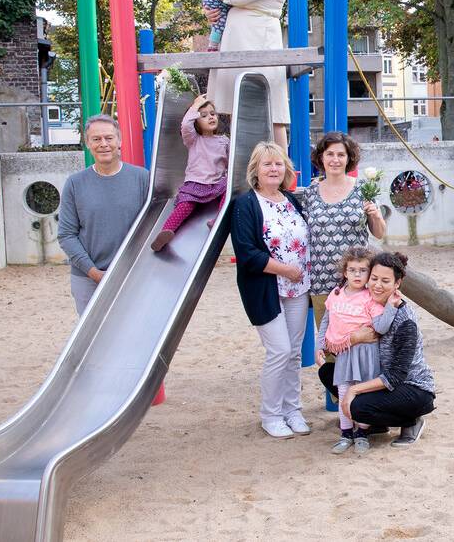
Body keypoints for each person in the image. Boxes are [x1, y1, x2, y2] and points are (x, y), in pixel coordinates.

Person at [229, 141, 312, 439]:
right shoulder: (246, 204)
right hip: (266, 287)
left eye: (278, 163)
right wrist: (285, 269)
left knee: (294, 355)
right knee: (279, 351)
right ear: (256, 170)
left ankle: (293, 410)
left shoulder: (292, 201)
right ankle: (271, 414)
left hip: (298, 288)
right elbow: (247, 253)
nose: (274, 169)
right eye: (267, 164)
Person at [204, 0, 290, 149]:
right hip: (235, 39)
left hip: (260, 39)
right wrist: (208, 9)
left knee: (273, 107)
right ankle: (239, 165)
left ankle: (283, 169)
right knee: (234, 104)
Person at [337, 251, 436, 448]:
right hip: (377, 374)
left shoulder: (404, 320)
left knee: (356, 405)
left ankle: (411, 422)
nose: (377, 285)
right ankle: (376, 422)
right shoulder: (365, 304)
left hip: (412, 387)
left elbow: (397, 375)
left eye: (385, 281)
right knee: (330, 374)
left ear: (397, 284)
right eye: (373, 278)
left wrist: (355, 390)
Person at [58, 115, 150, 316]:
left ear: (120, 141)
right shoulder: (75, 183)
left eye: (109, 138)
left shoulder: (142, 178)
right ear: (88, 143)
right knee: (94, 340)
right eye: (96, 139)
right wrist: (93, 272)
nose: (103, 144)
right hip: (88, 278)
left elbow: (152, 226)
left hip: (132, 274)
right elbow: (66, 234)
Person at [297, 132, 386, 335]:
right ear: (321, 157)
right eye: (330, 154)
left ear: (349, 158)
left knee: (360, 339)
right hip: (322, 280)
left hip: (357, 280)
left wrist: (376, 216)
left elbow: (379, 233)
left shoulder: (363, 189)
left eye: (341, 154)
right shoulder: (310, 193)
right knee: (329, 343)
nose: (335, 160)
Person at [314, 246, 379, 455]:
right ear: (345, 272)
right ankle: (346, 432)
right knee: (343, 392)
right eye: (353, 270)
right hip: (344, 353)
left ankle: (362, 433)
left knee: (362, 393)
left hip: (366, 354)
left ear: (369, 273)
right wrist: (319, 344)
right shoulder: (336, 295)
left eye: (362, 270)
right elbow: (327, 319)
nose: (357, 274)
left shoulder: (371, 297)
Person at [152, 94, 229, 251]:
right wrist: (195, 106)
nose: (210, 117)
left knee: (229, 189)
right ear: (196, 121)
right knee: (185, 205)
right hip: (196, 184)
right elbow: (186, 125)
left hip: (216, 184)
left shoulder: (224, 140)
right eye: (204, 115)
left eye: (213, 114)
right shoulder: (193, 139)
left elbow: (230, 162)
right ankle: (166, 232)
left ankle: (218, 219)